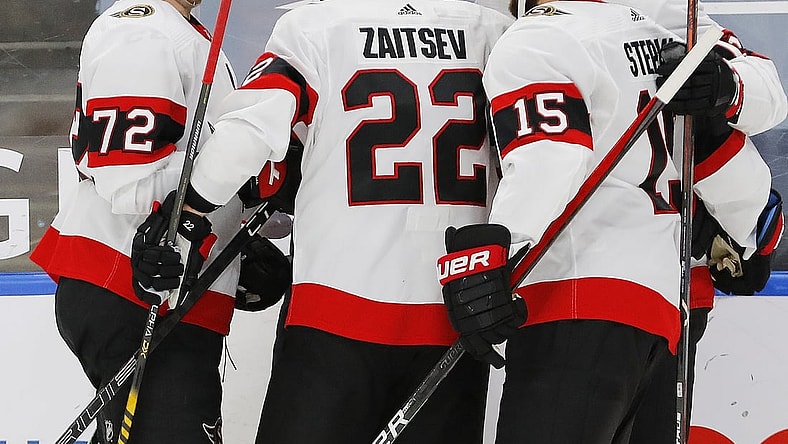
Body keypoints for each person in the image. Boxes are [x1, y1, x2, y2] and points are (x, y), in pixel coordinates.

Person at [131, 0, 514, 443]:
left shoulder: (315, 25)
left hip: (334, 314)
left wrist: (189, 213)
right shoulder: (496, 31)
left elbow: (247, 134)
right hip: (456, 313)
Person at [436, 0, 785, 442]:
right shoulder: (657, 33)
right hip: (662, 313)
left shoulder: (541, 38)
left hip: (576, 296)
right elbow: (725, 151)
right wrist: (748, 230)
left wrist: (494, 260)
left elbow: (550, 157)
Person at [31, 0, 290, 442]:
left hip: (165, 287)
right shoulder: (145, 31)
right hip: (133, 287)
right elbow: (128, 180)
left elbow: (188, 160)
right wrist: (232, 186)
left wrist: (233, 246)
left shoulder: (180, 30)